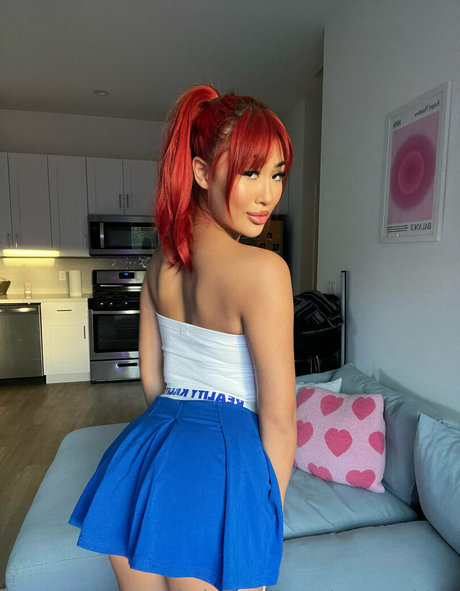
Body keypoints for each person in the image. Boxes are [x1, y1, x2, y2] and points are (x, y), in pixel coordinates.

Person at [68, 84, 297, 591]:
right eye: (250, 172)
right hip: (221, 465)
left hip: (142, 455)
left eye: (277, 173)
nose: (268, 194)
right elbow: (280, 422)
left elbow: (153, 380)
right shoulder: (264, 271)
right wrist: (263, 516)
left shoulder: (160, 265)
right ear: (201, 172)